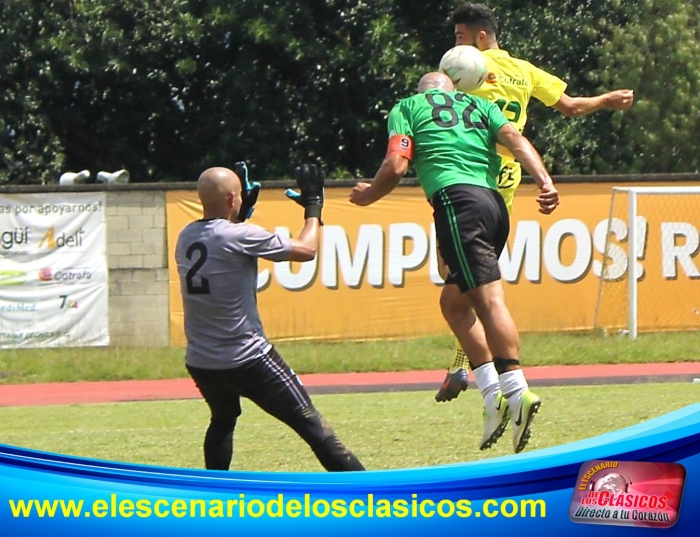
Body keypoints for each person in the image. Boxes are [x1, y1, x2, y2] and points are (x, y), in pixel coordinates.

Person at [434, 3, 635, 432]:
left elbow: (439, 109)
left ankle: (484, 374)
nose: (455, 47)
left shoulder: (465, 68)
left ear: (480, 38)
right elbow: (571, 106)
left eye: (459, 37)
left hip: (468, 180)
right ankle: (472, 370)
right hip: (505, 188)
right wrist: (607, 99)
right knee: (464, 286)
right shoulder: (524, 70)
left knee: (461, 284)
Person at [350, 72, 559, 453]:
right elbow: (515, 139)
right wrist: (544, 179)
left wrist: (367, 197)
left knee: (488, 300)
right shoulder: (481, 104)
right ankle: (492, 395)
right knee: (454, 303)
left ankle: (517, 390)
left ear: (421, 92)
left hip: (455, 202)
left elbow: (396, 164)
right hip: (494, 205)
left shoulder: (407, 108)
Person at [175, 163, 365, 472]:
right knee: (312, 426)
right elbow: (306, 249)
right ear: (232, 198)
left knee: (223, 420)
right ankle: (373, 498)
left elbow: (222, 234)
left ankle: (213, 496)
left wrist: (239, 211)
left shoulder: (186, 236)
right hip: (248, 358)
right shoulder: (240, 235)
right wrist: (314, 205)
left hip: (203, 360)